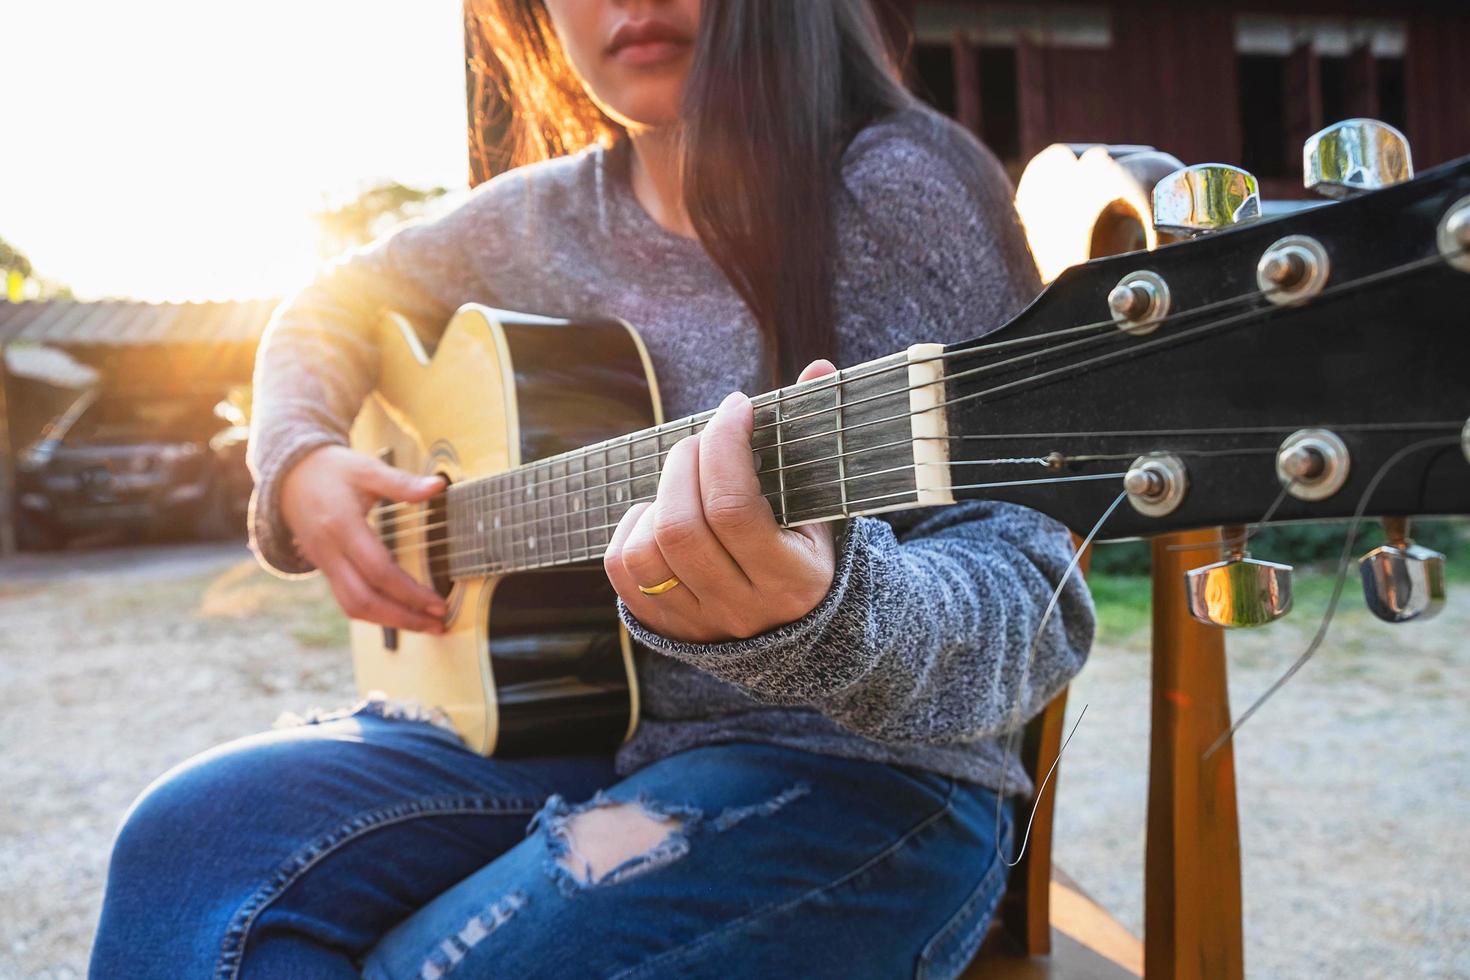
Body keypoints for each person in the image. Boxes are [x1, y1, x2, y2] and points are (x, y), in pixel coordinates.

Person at [90, 1, 1093, 976]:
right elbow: (325, 303)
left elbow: (1035, 585)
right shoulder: (542, 218)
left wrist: (833, 618)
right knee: (186, 838)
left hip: (859, 779)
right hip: (571, 742)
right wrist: (300, 453)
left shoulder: (898, 188)